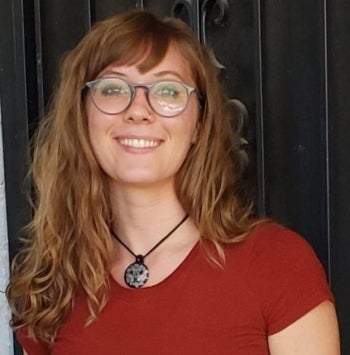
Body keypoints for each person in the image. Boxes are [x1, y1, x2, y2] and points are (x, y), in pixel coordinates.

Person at [6, 9, 339, 355]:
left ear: (198, 123)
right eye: (113, 89)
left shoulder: (277, 264)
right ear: (82, 114)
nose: (139, 110)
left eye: (168, 91)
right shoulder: (50, 286)